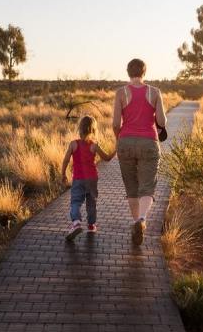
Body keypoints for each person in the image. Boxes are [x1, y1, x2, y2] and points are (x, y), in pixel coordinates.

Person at [113, 58, 166, 245]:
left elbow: (115, 123)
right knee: (147, 186)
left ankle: (135, 221)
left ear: (128, 72)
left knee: (132, 187)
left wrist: (119, 139)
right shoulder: (154, 92)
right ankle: (142, 220)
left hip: (126, 141)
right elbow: (162, 121)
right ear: (144, 72)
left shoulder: (121, 93)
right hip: (148, 143)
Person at [60, 115, 115, 240]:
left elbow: (66, 160)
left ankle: (76, 223)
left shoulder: (73, 144)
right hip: (92, 179)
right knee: (91, 202)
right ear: (93, 130)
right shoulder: (94, 145)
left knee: (75, 201)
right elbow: (107, 158)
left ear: (80, 128)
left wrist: (63, 174)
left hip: (78, 178)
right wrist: (116, 150)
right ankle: (91, 225)